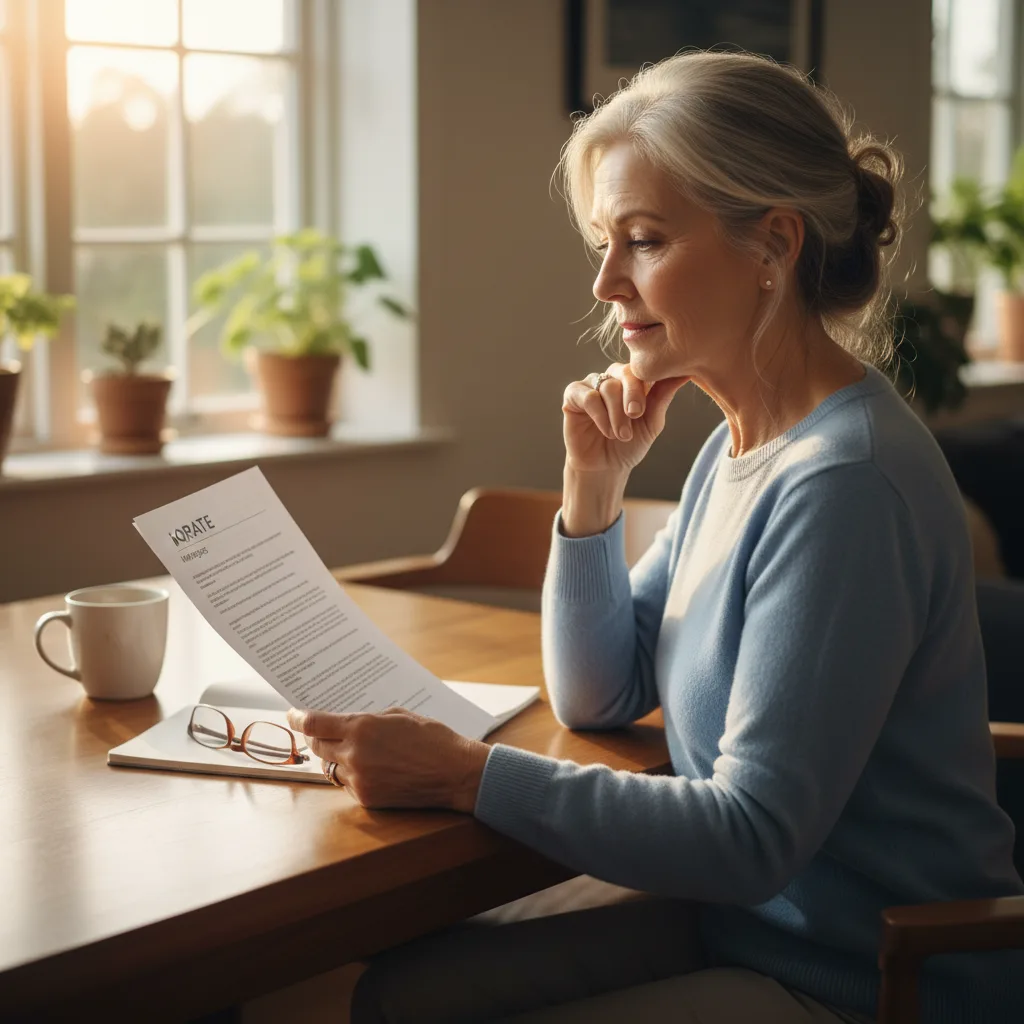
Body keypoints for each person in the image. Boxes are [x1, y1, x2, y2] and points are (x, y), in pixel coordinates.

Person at [289, 51, 1024, 1022]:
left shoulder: (848, 480)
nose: (603, 282)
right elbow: (601, 691)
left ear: (772, 247)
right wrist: (594, 488)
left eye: (641, 240)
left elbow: (747, 833)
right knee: (403, 995)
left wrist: (465, 774)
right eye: (605, 241)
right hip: (744, 920)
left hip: (861, 976)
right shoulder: (739, 445)